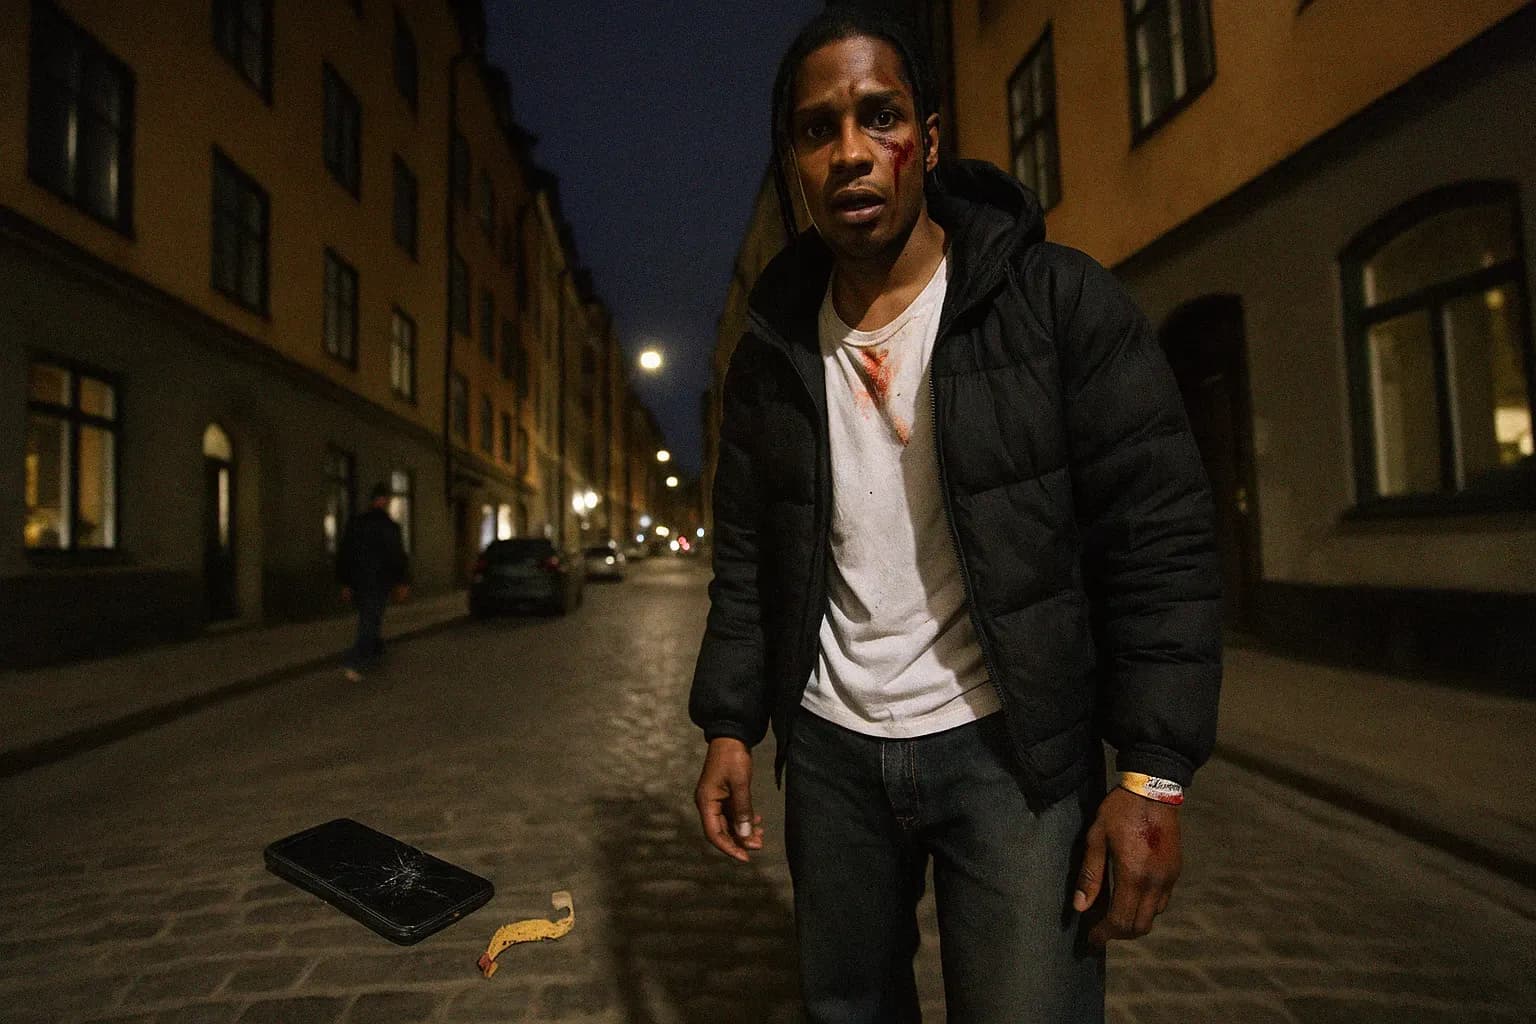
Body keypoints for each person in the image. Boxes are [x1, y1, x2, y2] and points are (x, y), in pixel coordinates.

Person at [689, 9, 1222, 1023]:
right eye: (818, 129)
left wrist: (1153, 776)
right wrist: (728, 724)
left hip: (1014, 755)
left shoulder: (1058, 304)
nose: (851, 152)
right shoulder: (769, 357)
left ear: (928, 141)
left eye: (880, 117)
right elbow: (750, 554)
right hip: (833, 752)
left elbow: (1159, 537)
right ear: (796, 161)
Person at [337, 482, 411, 682]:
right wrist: (402, 582)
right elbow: (397, 556)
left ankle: (376, 651)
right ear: (385, 501)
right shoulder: (389, 527)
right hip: (378, 582)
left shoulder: (356, 523)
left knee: (370, 617)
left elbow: (345, 554)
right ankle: (354, 661)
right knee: (369, 621)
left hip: (359, 582)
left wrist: (345, 583)